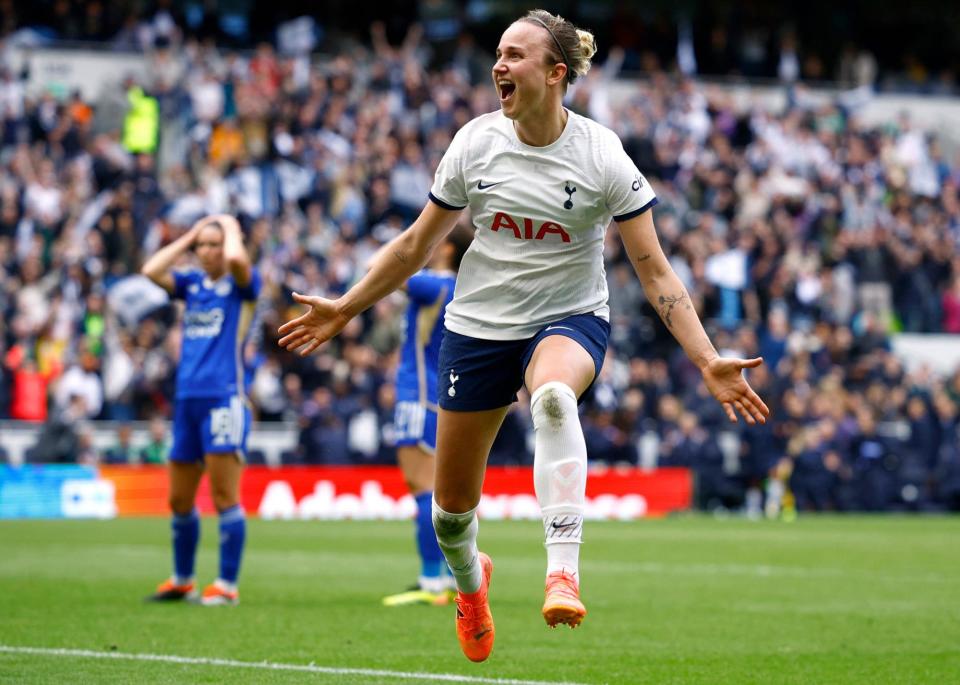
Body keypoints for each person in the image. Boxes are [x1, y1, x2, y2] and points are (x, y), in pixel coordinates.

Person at [279, 9, 769, 663]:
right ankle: (470, 583)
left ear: (555, 73)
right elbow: (412, 247)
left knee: (554, 399)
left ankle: (562, 570)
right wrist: (345, 305)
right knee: (451, 513)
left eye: (514, 55)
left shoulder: (601, 155)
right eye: (499, 54)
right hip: (479, 325)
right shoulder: (475, 143)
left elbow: (653, 269)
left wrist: (707, 358)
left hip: (568, 317)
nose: (498, 66)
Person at [142, 214, 261, 606]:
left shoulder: (242, 286)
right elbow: (151, 269)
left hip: (223, 398)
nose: (207, 252)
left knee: (225, 494)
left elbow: (240, 264)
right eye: (202, 246)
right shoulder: (192, 284)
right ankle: (182, 579)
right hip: (187, 400)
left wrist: (228, 228)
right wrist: (190, 235)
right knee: (179, 498)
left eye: (214, 244)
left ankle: (227, 585)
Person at [379, 229, 471, 607]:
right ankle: (453, 576)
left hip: (418, 395)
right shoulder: (458, 288)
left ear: (446, 247)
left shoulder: (432, 283)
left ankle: (431, 578)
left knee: (423, 489)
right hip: (441, 393)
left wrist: (412, 237)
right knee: (445, 492)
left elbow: (379, 266)